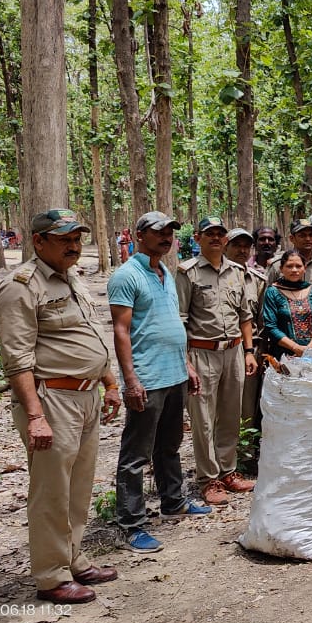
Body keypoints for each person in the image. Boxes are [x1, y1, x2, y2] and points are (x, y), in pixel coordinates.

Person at [0, 209, 124, 604]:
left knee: (78, 486)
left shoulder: (72, 278)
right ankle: (51, 576)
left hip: (86, 396)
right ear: (38, 241)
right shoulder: (20, 287)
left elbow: (88, 334)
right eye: (64, 238)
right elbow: (17, 359)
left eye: (77, 238)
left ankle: (73, 559)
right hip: (52, 400)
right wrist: (35, 416)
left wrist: (109, 382)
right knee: (51, 491)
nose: (74, 245)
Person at [110, 211, 213, 555]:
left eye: (170, 232)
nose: (166, 237)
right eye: (158, 232)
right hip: (148, 377)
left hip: (174, 374)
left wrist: (187, 365)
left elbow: (171, 324)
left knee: (169, 445)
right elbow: (121, 330)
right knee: (136, 453)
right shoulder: (127, 276)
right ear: (139, 235)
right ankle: (132, 523)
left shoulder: (165, 272)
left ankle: (173, 501)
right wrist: (130, 380)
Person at [175, 217, 258, 506]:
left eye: (220, 234)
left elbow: (245, 317)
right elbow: (180, 321)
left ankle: (228, 471)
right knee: (203, 419)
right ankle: (208, 478)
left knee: (230, 414)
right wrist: (186, 361)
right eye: (209, 233)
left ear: (226, 239)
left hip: (233, 351)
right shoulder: (187, 273)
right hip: (201, 352)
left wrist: (249, 351)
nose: (215, 238)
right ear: (198, 237)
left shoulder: (237, 272)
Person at [225, 228, 269, 449]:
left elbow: (261, 321)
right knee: (222, 405)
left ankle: (244, 453)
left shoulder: (258, 280)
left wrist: (259, 353)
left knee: (248, 405)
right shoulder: (216, 277)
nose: (242, 251)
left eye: (246, 247)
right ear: (226, 246)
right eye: (236, 246)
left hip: (250, 351)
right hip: (221, 349)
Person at [267, 219, 312, 351]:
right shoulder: (276, 266)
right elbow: (267, 307)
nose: (308, 239)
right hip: (284, 343)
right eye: (302, 235)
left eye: (311, 235)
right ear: (292, 238)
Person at [262, 250, 312, 360]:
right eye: (289, 266)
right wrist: (295, 347)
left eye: (298, 266)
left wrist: (309, 349)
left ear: (304, 268)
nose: (294, 270)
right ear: (281, 269)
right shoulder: (273, 292)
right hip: (283, 356)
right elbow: (270, 326)